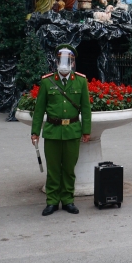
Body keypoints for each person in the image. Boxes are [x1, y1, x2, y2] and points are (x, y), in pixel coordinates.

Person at [30, 45, 92, 216]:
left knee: (69, 169)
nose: (64, 63)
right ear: (56, 62)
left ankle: (68, 200)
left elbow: (86, 109)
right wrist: (35, 132)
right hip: (52, 131)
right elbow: (39, 109)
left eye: (68, 60)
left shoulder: (80, 81)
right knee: (53, 169)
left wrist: (86, 131)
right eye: (61, 60)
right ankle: (51, 201)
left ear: (73, 63)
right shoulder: (47, 81)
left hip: (72, 131)